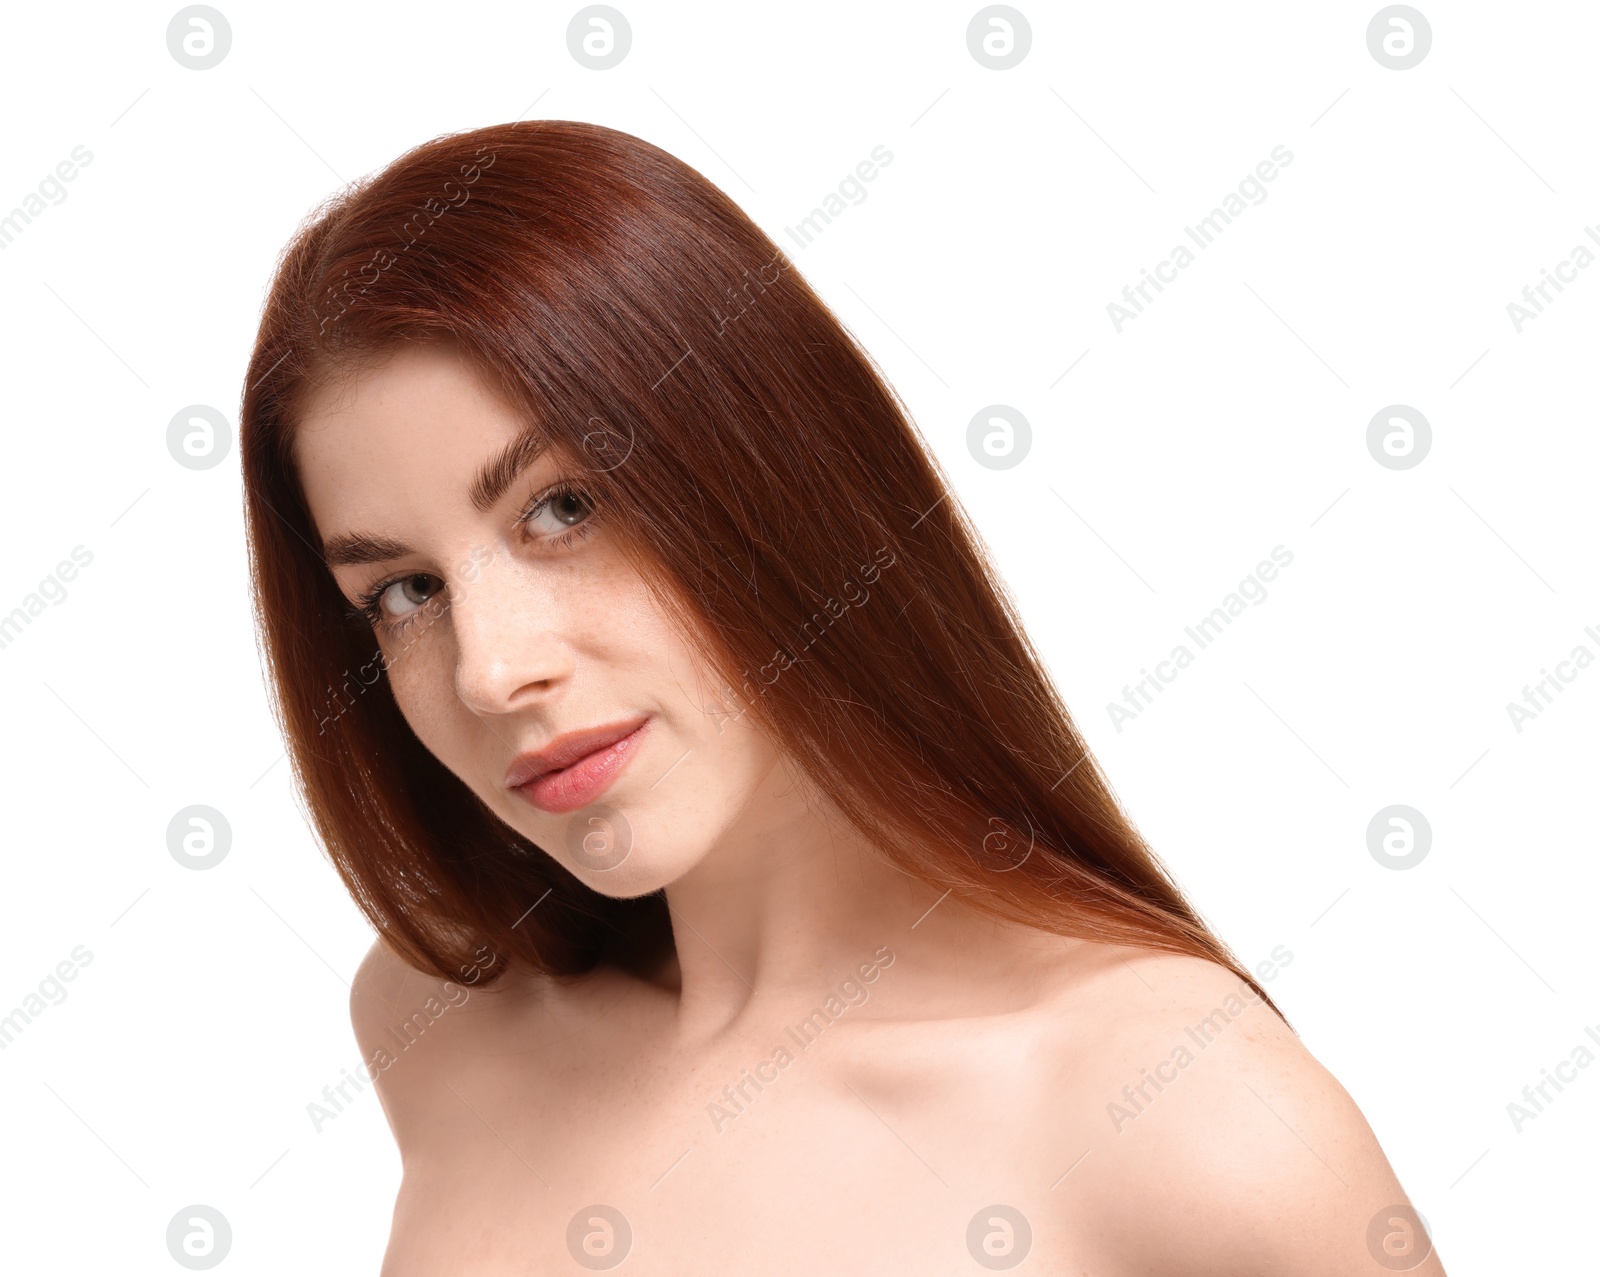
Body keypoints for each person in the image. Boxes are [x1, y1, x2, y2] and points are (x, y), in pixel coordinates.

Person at [241, 119, 1444, 1274]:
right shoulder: (442, 1028)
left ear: (778, 475)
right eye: (403, 589)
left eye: (563, 508)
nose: (490, 670)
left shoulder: (1183, 1112)